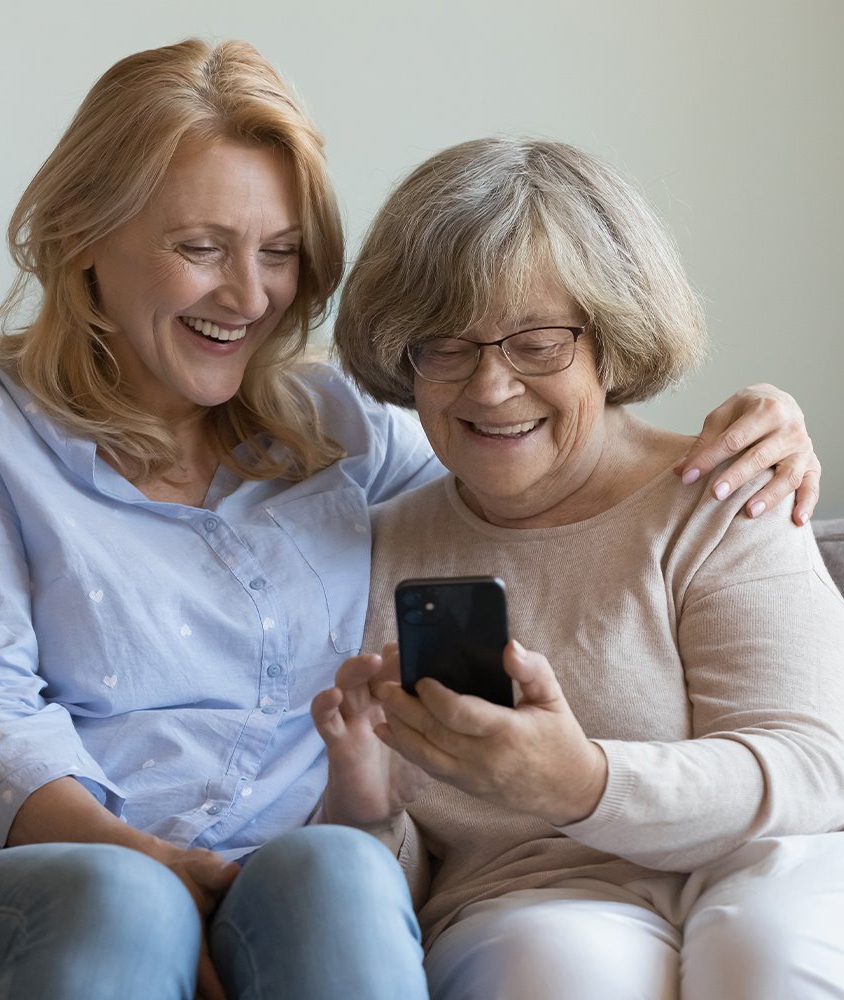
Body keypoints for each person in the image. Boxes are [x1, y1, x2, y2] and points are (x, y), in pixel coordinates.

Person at [0, 39, 824, 1000]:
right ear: (79, 233)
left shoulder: (337, 428)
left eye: (277, 252)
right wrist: (153, 868)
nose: (248, 295)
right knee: (128, 899)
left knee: (340, 874)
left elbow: (516, 444)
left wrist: (756, 424)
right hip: (11, 879)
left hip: (271, 879)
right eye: (199, 248)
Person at [315, 136, 844, 1000]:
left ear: (613, 335)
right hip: (527, 901)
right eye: (443, 346)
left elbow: (813, 769)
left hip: (765, 868)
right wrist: (366, 803)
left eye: (537, 341)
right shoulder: (370, 551)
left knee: (763, 948)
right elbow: (392, 886)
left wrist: (581, 782)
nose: (489, 388)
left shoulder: (726, 494)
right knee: (553, 967)